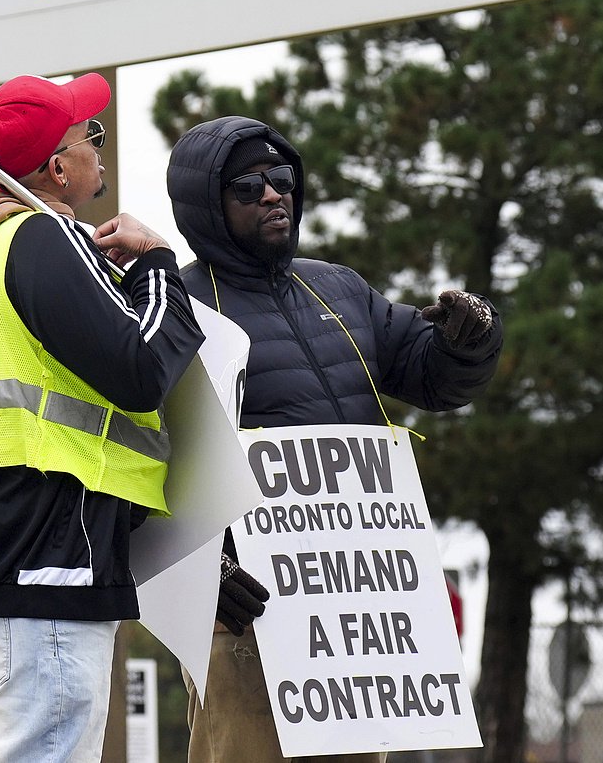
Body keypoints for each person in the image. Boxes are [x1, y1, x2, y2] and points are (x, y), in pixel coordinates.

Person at [165, 115, 504, 763]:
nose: (272, 194)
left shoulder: (338, 288)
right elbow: (139, 452)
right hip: (246, 614)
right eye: (247, 187)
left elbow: (429, 373)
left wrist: (469, 339)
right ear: (207, 206)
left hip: (350, 617)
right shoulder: (179, 306)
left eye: (282, 178)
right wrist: (199, 570)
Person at [0, 73, 204, 763]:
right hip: (48, 556)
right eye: (92, 137)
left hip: (17, 552)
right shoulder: (41, 237)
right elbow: (143, 368)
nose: (100, 153)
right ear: (57, 167)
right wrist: (159, 266)